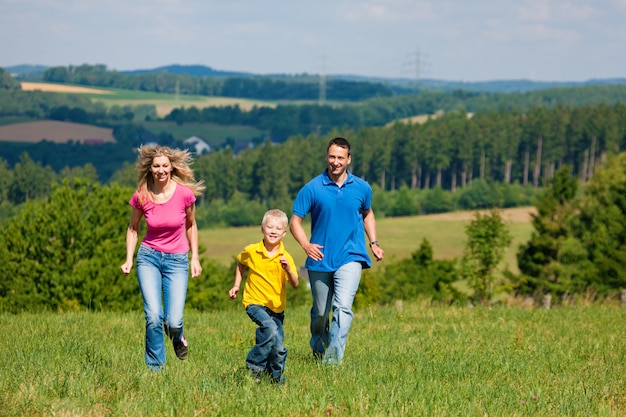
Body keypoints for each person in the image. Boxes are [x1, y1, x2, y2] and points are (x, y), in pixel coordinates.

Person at [290, 137, 384, 365]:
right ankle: (319, 348)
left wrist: (373, 242)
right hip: (320, 258)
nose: (336, 162)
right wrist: (306, 245)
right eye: (332, 156)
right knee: (321, 313)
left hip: (351, 256)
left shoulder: (362, 187)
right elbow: (295, 221)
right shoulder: (312, 188)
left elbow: (367, 213)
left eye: (341, 157)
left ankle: (332, 362)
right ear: (326, 157)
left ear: (349, 159)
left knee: (342, 308)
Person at [120, 145, 205, 371]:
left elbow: (191, 225)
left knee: (174, 321)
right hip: (149, 258)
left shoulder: (184, 194)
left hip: (177, 260)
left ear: (171, 167)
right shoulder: (142, 195)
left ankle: (178, 337)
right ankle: (155, 369)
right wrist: (129, 258)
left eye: (165, 166)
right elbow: (133, 228)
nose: (161, 170)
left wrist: (194, 257)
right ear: (150, 168)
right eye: (156, 166)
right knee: (154, 316)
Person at [229, 209, 299, 384]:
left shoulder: (286, 257)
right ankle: (253, 368)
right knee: (268, 327)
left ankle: (274, 379)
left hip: (277, 308)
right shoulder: (252, 251)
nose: (273, 231)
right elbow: (241, 263)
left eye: (278, 228)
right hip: (254, 302)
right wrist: (237, 285)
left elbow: (295, 284)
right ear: (262, 229)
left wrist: (289, 270)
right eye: (270, 227)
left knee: (278, 347)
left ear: (284, 233)